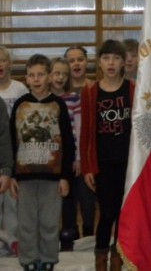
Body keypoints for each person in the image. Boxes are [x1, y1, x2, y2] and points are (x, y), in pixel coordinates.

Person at [9, 54, 75, 271]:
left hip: (52, 176)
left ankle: (48, 260)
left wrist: (65, 176)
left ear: (49, 77)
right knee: (27, 223)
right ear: (26, 78)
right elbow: (12, 141)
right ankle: (29, 261)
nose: (36, 79)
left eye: (40, 74)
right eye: (31, 75)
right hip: (24, 176)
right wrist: (11, 175)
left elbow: (68, 142)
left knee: (49, 222)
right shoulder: (20, 104)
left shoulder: (58, 105)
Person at [80, 39, 134, 271]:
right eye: (106, 58)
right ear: (99, 62)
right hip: (103, 164)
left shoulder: (133, 89)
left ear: (123, 63)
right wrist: (87, 167)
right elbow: (86, 133)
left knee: (125, 214)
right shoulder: (90, 92)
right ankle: (101, 259)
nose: (111, 63)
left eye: (116, 58)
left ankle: (118, 259)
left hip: (128, 164)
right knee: (107, 213)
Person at [49, 58, 82, 251]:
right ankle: (50, 238)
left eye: (64, 74)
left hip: (68, 157)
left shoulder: (73, 99)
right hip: (48, 158)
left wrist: (78, 157)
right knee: (50, 199)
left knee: (69, 198)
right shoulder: (44, 99)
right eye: (56, 73)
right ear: (49, 75)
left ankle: (69, 236)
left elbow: (78, 129)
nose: (60, 77)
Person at [64, 45, 96, 238]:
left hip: (88, 154)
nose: (76, 64)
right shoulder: (61, 91)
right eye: (71, 61)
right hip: (67, 155)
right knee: (68, 200)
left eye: (80, 59)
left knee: (87, 200)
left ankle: (89, 237)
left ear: (87, 62)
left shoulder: (94, 88)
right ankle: (70, 237)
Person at [0, 46, 28, 252]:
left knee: (12, 201)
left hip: (16, 151)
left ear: (9, 63)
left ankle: (13, 243)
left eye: (2, 60)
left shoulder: (19, 89)